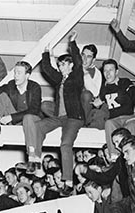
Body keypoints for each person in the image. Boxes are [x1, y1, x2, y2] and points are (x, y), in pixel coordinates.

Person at [27, 31, 85, 188]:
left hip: (73, 118)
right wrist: (47, 53)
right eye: (59, 65)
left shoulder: (76, 77)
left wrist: (72, 44)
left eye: (63, 64)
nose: (60, 67)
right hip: (59, 117)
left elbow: (79, 62)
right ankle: (35, 161)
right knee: (37, 127)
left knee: (65, 145)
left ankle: (68, 179)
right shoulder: (60, 79)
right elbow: (46, 69)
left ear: (70, 66)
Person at [0, 62, 42, 162]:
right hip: (15, 119)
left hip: (30, 121)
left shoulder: (35, 87)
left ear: (27, 75)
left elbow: (34, 110)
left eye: (19, 73)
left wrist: (11, 117)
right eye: (15, 72)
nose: (16, 76)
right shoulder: (11, 85)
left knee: (28, 117)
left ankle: (32, 156)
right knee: (3, 96)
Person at [93, 59, 135, 157]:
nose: (108, 73)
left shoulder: (125, 82)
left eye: (110, 70)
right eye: (105, 70)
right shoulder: (104, 87)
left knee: (129, 129)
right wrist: (96, 103)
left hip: (129, 118)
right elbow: (99, 102)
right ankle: (114, 156)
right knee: (108, 123)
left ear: (116, 72)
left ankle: (129, 155)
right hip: (114, 120)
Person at [80, 44, 103, 126]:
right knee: (46, 106)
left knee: (86, 94)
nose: (84, 59)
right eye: (83, 55)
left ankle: (85, 124)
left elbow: (95, 93)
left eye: (89, 57)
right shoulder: (73, 68)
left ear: (93, 60)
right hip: (73, 107)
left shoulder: (96, 73)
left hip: (86, 109)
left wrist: (85, 74)